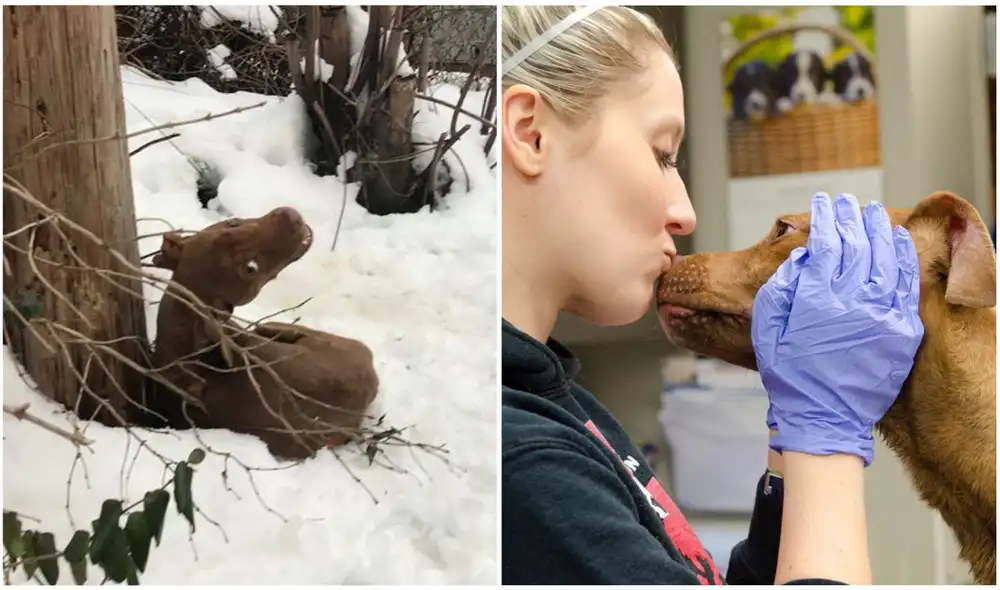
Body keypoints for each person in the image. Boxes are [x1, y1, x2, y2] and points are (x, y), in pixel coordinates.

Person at [500, 6, 925, 586]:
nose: (685, 213)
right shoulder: (520, 462)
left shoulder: (561, 402)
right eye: (662, 154)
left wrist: (791, 445)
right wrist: (827, 438)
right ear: (530, 132)